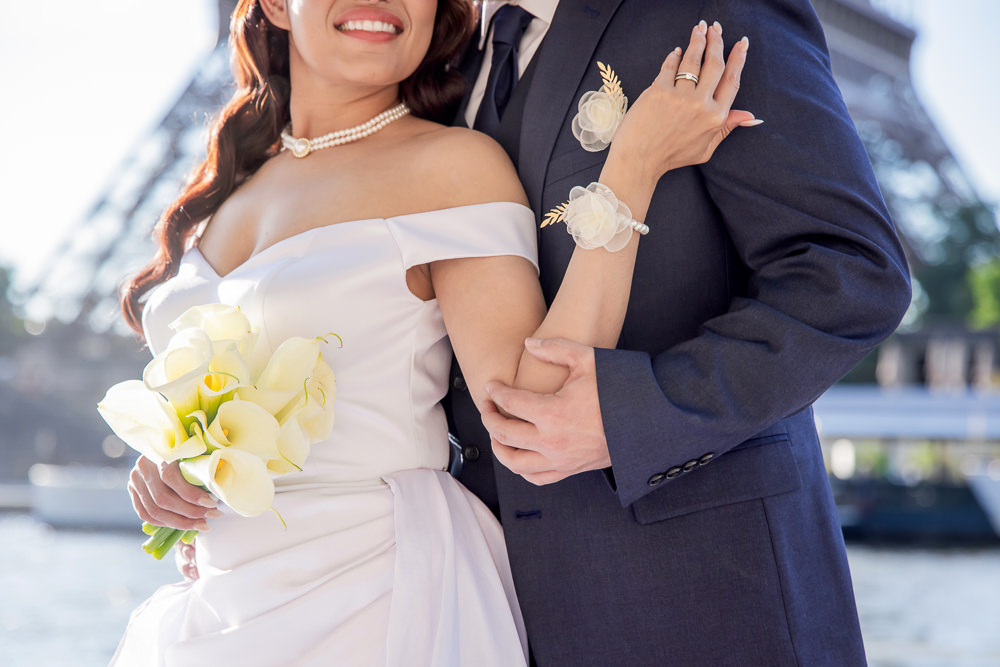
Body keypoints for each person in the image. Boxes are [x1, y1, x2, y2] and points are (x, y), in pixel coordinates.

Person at [114, 0, 755, 664]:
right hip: (222, 605)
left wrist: (631, 171)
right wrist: (174, 461)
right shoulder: (224, 192)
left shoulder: (451, 167)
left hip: (374, 598)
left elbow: (529, 406)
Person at [441, 0, 911, 665]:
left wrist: (634, 414)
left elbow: (851, 273)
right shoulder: (438, 63)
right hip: (485, 614)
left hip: (708, 603)